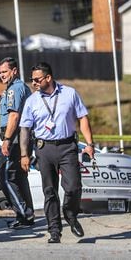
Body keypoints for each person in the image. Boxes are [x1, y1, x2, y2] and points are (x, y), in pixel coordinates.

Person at [19, 62, 95, 243]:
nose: (34, 83)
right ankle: (54, 231)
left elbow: (82, 118)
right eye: (32, 80)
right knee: (49, 191)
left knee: (74, 187)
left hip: (67, 147)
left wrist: (90, 144)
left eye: (37, 80)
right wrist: (24, 154)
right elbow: (24, 129)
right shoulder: (32, 101)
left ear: (48, 78)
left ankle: (70, 213)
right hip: (44, 149)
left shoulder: (69, 94)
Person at [0, 57, 35, 229]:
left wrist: (7, 140)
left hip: (15, 137)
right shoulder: (15, 88)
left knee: (4, 176)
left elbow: (14, 116)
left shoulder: (15, 89)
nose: (2, 76)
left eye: (5, 72)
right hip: (19, 136)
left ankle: (23, 213)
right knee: (19, 177)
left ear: (14, 71)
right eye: (0, 73)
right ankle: (28, 215)